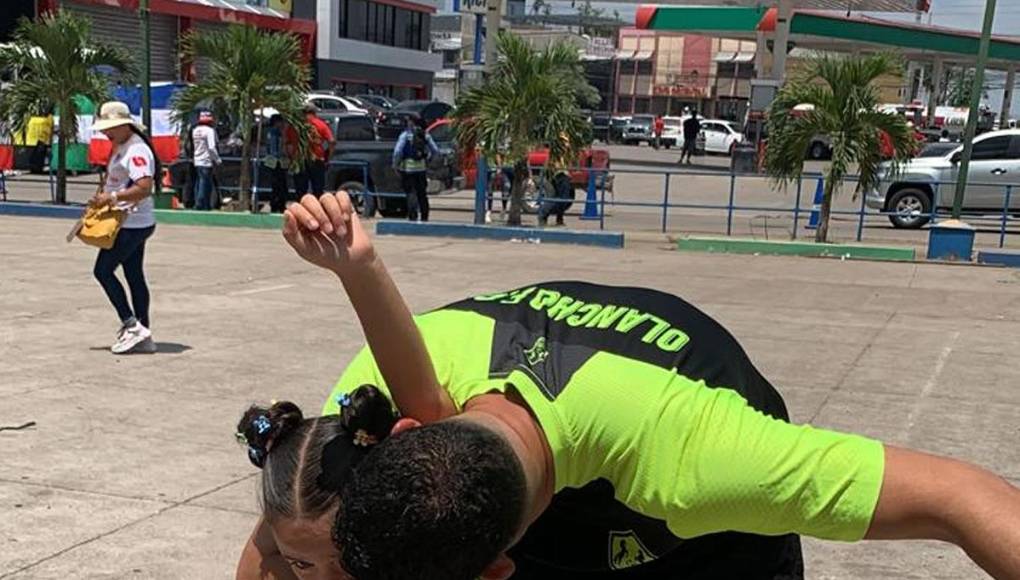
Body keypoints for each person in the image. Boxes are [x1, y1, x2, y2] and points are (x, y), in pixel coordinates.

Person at [243, 191, 1020, 580]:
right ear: (405, 434)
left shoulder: (699, 460)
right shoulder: (375, 412)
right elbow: (282, 534)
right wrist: (360, 267)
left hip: (706, 551)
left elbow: (963, 497)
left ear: (496, 574)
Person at [89, 101, 160, 354]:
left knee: (102, 271)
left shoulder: (136, 150)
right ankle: (143, 331)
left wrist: (112, 198)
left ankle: (132, 325)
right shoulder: (121, 146)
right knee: (133, 275)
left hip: (132, 223)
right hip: (131, 222)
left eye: (109, 128)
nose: (104, 133)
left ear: (123, 125)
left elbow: (144, 187)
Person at [392, 117, 439, 222]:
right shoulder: (425, 135)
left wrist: (395, 165)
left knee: (410, 193)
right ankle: (425, 217)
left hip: (408, 169)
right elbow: (435, 150)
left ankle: (413, 217)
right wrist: (428, 160)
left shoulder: (405, 135)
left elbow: (397, 152)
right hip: (421, 169)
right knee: (422, 193)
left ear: (411, 122)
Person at [289, 104, 334, 199]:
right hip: (316, 159)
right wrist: (328, 156)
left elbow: (287, 143)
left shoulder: (296, 125)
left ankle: (301, 211)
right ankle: (316, 211)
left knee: (300, 190)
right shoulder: (321, 124)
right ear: (314, 112)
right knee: (318, 190)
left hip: (299, 159)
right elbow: (331, 141)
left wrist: (291, 158)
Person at [191, 110, 221, 211]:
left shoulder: (195, 130)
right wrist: (217, 160)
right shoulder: (209, 131)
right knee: (205, 183)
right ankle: (201, 204)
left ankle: (199, 202)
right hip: (206, 160)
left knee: (199, 182)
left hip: (197, 159)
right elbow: (212, 147)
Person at [265, 114, 291, 213]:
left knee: (279, 185)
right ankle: (277, 204)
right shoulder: (274, 133)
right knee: (278, 185)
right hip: (276, 163)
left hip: (275, 163)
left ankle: (278, 204)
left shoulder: (274, 132)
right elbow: (274, 150)